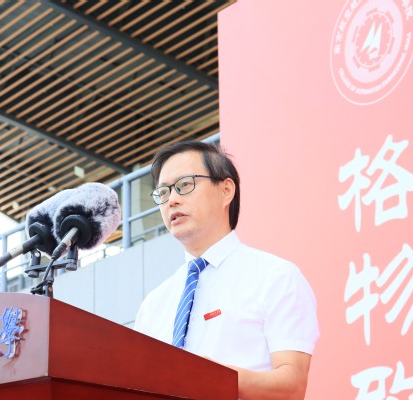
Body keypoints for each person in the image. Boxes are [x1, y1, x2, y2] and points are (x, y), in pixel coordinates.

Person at [134, 141, 319, 400]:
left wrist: (211, 376)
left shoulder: (276, 276)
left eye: (184, 185)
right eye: (163, 193)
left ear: (226, 190)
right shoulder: (153, 304)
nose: (172, 200)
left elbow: (292, 385)